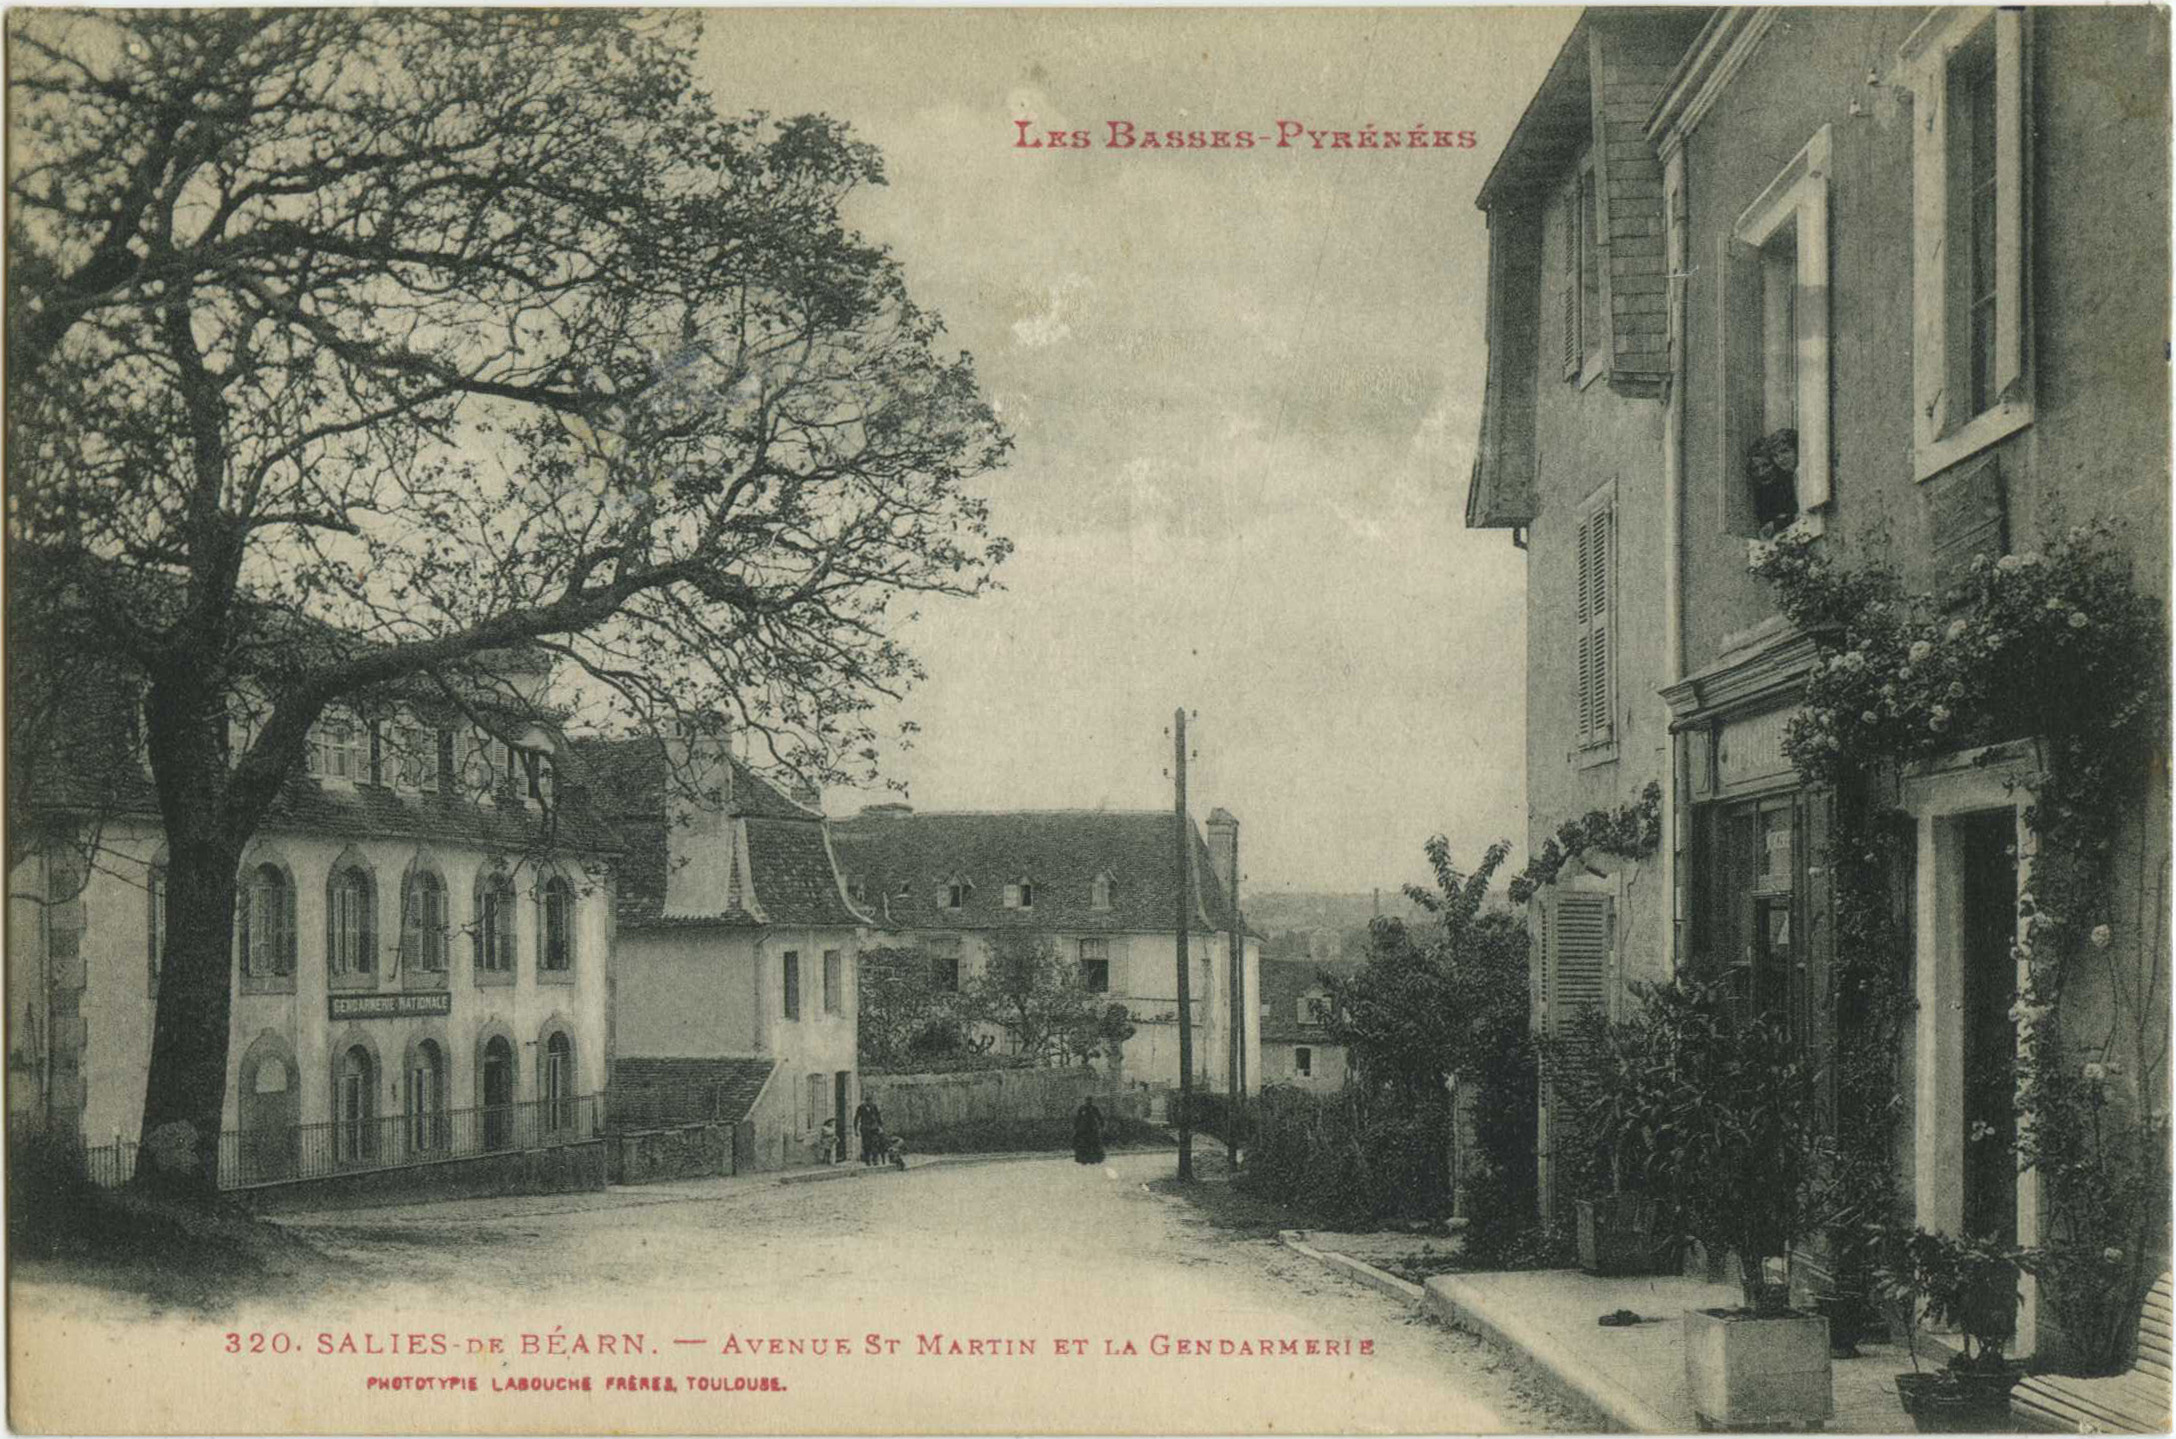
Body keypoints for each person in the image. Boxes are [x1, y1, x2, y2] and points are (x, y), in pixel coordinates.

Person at [1073, 1096, 1105, 1166]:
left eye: (1089, 1100)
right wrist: (1076, 1127)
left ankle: (1093, 1159)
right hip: (1083, 1129)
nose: (1088, 1102)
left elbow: (1099, 1117)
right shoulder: (1082, 1108)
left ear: (1091, 1101)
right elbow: (1078, 1118)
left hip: (1092, 1129)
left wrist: (1102, 1125)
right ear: (1085, 1101)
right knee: (1083, 1145)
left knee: (1093, 1145)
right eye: (1087, 1100)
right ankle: (1083, 1159)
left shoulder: (1094, 1108)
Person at [854, 1096, 884, 1166]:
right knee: (866, 1145)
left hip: (874, 1128)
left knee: (875, 1144)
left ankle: (875, 1160)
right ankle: (867, 1161)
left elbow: (878, 1117)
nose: (869, 1102)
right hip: (865, 1128)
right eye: (867, 1101)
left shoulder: (874, 1106)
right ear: (865, 1101)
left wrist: (880, 1127)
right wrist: (855, 1129)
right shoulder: (860, 1107)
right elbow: (856, 1118)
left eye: (870, 1101)